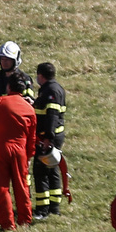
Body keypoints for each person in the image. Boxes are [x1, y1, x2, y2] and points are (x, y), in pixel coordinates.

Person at [0, 72, 37, 229]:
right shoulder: (29, 109)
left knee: (1, 186)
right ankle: (25, 219)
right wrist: (29, 155)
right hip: (20, 151)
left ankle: (7, 222)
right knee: (22, 185)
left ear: (8, 87)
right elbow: (32, 137)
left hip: (1, 147)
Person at [32, 62, 66, 218]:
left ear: (40, 75)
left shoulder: (50, 91)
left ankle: (42, 210)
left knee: (41, 172)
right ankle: (54, 206)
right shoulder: (56, 88)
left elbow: (51, 115)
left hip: (48, 138)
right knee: (53, 170)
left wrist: (47, 138)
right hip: (55, 137)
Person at [0, 40, 33, 108]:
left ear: (15, 60)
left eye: (7, 59)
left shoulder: (25, 79)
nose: (4, 62)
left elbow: (30, 101)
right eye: (2, 59)